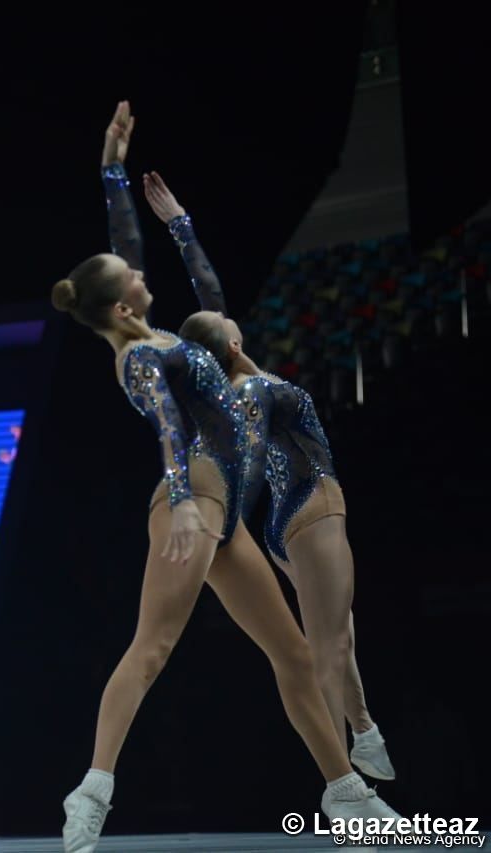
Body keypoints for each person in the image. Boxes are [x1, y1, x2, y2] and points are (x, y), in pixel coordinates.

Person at [53, 102, 398, 853]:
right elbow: (169, 426)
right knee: (153, 647)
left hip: (224, 511)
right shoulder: (139, 357)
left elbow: (138, 254)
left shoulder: (155, 331)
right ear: (122, 304)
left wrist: (117, 174)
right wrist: (183, 500)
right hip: (196, 498)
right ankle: (92, 791)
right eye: (131, 275)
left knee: (295, 654)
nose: (139, 269)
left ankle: (348, 796)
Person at [145, 169, 395, 779]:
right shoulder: (251, 389)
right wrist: (180, 227)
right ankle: (343, 786)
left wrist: (180, 226)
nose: (231, 321)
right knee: (326, 650)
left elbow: (209, 304)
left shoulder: (225, 383)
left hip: (284, 521)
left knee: (336, 632)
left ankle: (364, 733)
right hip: (313, 505)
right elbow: (213, 305)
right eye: (230, 329)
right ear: (230, 346)